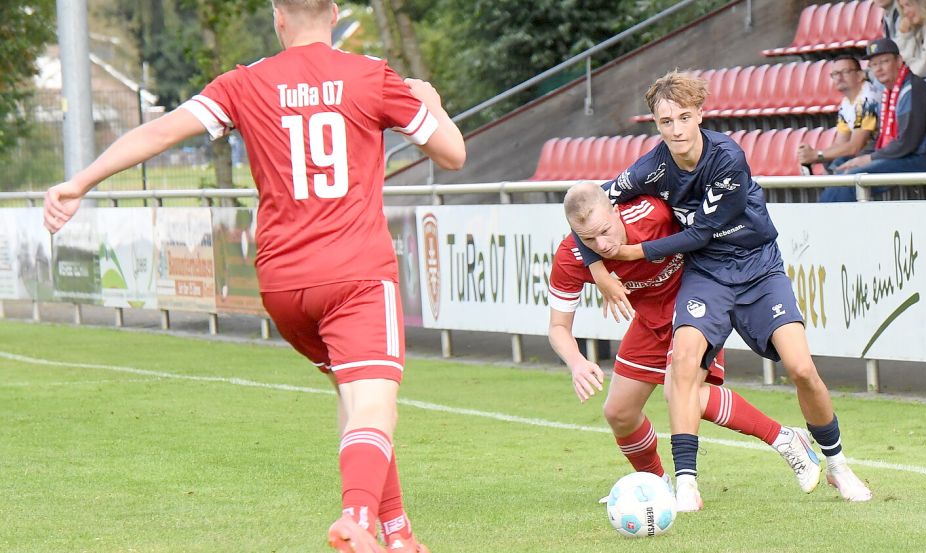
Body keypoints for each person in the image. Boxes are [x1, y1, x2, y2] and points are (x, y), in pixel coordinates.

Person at [42, 2, 466, 552]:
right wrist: (431, 102)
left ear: (277, 17)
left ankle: (398, 533)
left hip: (284, 285)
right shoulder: (371, 75)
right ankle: (359, 518)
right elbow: (452, 153)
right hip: (356, 275)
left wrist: (80, 182)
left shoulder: (245, 83)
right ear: (335, 13)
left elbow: (163, 131)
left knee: (353, 393)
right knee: (372, 404)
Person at [572, 70, 872, 509]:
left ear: (700, 115)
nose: (674, 130)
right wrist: (597, 267)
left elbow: (704, 231)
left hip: (758, 269)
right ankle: (687, 483)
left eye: (682, 118)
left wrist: (633, 254)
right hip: (707, 274)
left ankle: (838, 466)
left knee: (802, 369)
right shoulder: (653, 165)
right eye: (664, 122)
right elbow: (586, 208)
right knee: (684, 365)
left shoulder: (728, 157)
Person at [550, 184, 821, 512]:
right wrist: (576, 362)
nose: (602, 245)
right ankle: (657, 485)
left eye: (605, 232)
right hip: (650, 320)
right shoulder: (571, 257)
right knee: (619, 412)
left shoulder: (653, 211)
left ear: (616, 209)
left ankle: (784, 438)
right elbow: (558, 328)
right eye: (589, 240)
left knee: (680, 392)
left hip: (697, 305)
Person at [828, 38, 926, 202]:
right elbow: (884, 138)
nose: (879, 69)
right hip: (904, 154)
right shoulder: (891, 91)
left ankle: (819, 224)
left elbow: (906, 143)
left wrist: (867, 158)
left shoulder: (912, 90)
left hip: (922, 156)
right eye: (874, 64)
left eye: (884, 61)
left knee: (852, 178)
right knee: (840, 167)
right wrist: (860, 157)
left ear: (899, 61)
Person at [797, 55, 880, 174]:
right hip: (866, 151)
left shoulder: (868, 99)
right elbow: (840, 143)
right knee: (829, 162)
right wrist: (814, 157)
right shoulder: (846, 102)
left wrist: (816, 155)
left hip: (880, 151)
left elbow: (855, 146)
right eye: (835, 74)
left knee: (839, 167)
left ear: (860, 75)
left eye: (845, 72)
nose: (839, 77)